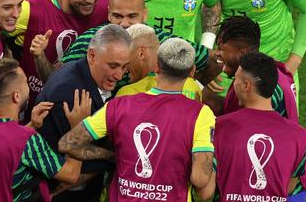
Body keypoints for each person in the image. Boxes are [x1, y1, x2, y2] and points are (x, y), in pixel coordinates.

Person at [58, 38, 216, 201]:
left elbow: (67, 143)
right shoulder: (201, 114)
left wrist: (109, 155)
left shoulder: (118, 105)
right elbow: (201, 179)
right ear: (192, 72)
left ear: (156, 66)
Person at [0, 58, 89, 202]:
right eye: (26, 82)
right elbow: (71, 175)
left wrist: (32, 125)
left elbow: (1, 142)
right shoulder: (28, 140)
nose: (28, 87)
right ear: (17, 96)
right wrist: (78, 128)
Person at [36, 24, 132, 201]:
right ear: (92, 55)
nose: (119, 75)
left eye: (125, 67)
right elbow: (75, 158)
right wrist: (114, 157)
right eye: (113, 66)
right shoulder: (70, 97)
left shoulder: (80, 70)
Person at [10, 0, 109, 114]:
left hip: (83, 112)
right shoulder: (31, 10)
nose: (90, 0)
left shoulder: (107, 8)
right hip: (35, 109)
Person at [60, 0, 215, 86]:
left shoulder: (163, 40)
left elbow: (212, 60)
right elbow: (58, 73)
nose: (125, 23)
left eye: (132, 16)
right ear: (108, 14)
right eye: (118, 16)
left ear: (145, 14)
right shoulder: (91, 39)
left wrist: (196, 86)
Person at [213, 52, 306, 202]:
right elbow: (289, 187)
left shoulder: (220, 126)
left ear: (246, 86)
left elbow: (207, 188)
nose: (234, 85)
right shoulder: (299, 135)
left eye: (235, 81)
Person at [116, 24, 202, 100]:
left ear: (141, 53)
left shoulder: (126, 95)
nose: (124, 70)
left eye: (126, 59)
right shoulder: (193, 87)